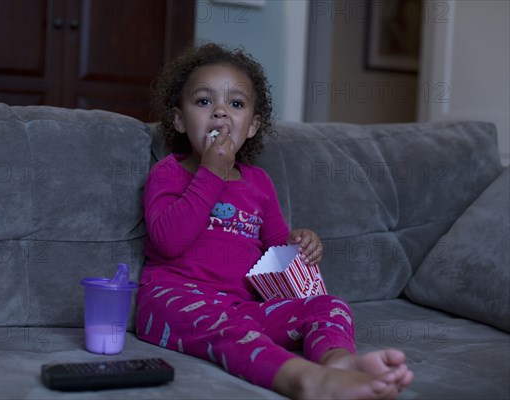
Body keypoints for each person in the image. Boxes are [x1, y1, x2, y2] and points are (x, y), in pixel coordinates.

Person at [136, 42, 413, 399]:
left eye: (235, 104)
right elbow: (168, 241)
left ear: (251, 127)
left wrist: (301, 244)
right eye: (204, 102)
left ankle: (338, 362)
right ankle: (306, 381)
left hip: (243, 306)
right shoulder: (168, 173)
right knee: (231, 331)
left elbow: (277, 254)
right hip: (173, 299)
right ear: (178, 119)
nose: (220, 113)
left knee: (330, 305)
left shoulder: (258, 183)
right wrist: (210, 174)